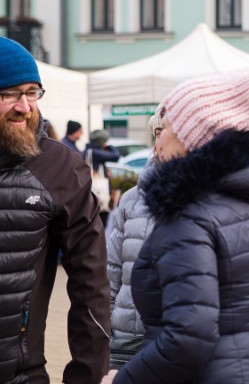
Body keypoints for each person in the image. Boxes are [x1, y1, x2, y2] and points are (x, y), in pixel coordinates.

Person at [0, 36, 110, 383]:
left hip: (16, 375)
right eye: (10, 93)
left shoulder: (60, 167)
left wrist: (87, 377)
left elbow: (90, 284)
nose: (25, 106)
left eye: (33, 92)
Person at [103, 68, 249, 383]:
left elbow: (189, 335)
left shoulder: (190, 212)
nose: (158, 136)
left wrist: (123, 380)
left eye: (167, 124)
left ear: (194, 134)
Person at [106, 105, 164, 369]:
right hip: (127, 339)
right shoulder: (131, 199)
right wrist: (106, 326)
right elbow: (111, 268)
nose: (162, 140)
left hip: (177, 341)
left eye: (170, 131)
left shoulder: (208, 198)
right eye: (158, 131)